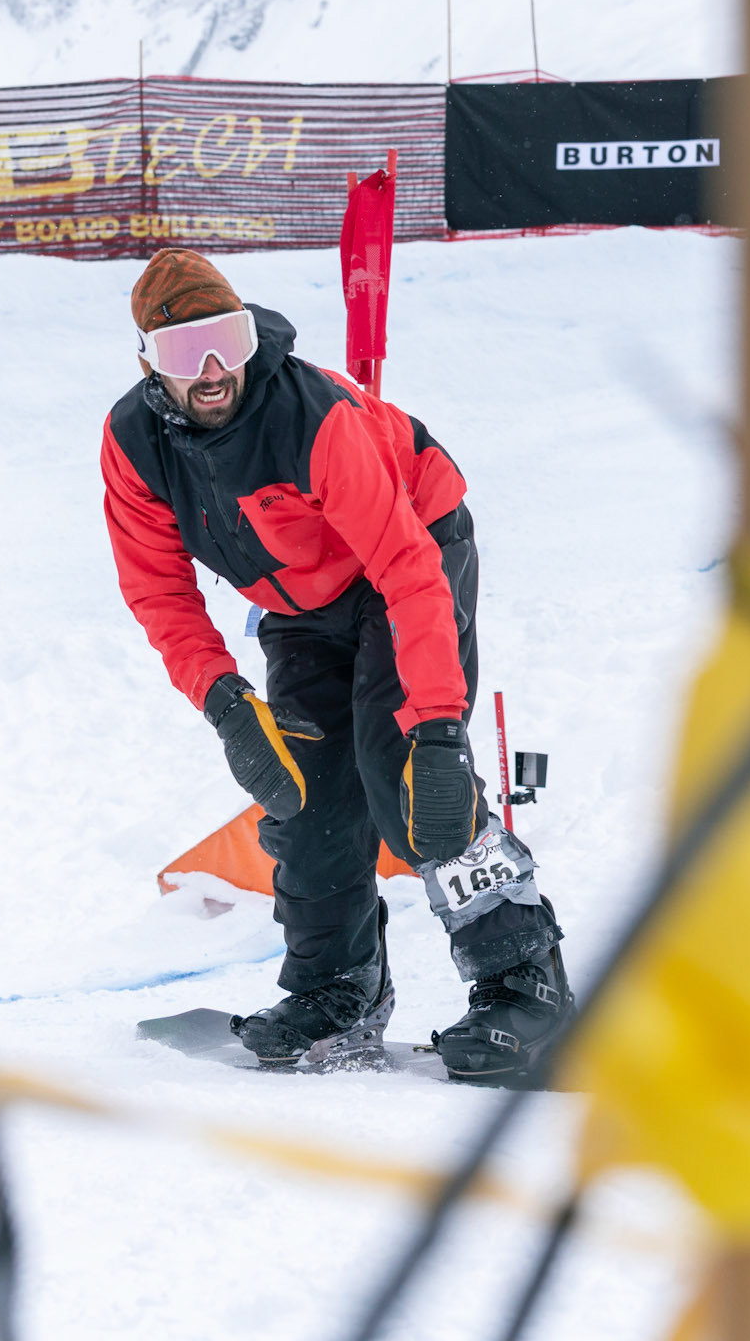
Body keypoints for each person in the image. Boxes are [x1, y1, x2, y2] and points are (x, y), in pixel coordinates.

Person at [101, 247, 570, 1082]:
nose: (210, 371)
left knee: (410, 783)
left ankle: (522, 981)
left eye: (226, 343)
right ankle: (336, 986)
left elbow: (407, 571)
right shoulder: (134, 444)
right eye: (182, 352)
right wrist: (223, 700)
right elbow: (157, 590)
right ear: (147, 362)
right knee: (304, 789)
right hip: (300, 602)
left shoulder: (313, 418)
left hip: (410, 557)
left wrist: (436, 730)